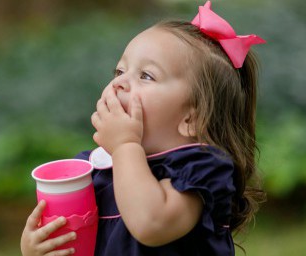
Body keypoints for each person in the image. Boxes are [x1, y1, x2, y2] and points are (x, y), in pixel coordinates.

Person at [21, 1, 266, 255]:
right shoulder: (95, 170)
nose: (120, 83)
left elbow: (151, 224)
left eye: (146, 76)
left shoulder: (201, 170)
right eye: (119, 71)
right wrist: (39, 247)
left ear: (192, 118)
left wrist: (125, 146)